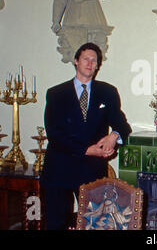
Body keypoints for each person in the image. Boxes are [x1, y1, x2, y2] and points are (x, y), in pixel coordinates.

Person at [40, 42, 131, 230]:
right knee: (56, 224)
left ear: (98, 65)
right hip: (59, 170)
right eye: (85, 59)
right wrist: (86, 150)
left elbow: (122, 125)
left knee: (95, 225)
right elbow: (54, 134)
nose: (90, 63)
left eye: (94, 60)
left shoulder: (108, 92)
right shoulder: (56, 94)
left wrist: (114, 135)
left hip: (91, 172)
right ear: (76, 61)